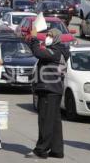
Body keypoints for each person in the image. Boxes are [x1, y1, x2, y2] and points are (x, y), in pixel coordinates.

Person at [24, 28, 69, 159]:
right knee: (54, 121)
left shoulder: (55, 51)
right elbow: (37, 50)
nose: (47, 37)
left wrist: (34, 38)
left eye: (50, 35)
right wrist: (30, 39)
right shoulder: (57, 50)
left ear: (56, 38)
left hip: (49, 90)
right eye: (47, 35)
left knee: (45, 121)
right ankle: (57, 150)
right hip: (53, 89)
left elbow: (38, 52)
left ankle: (41, 150)